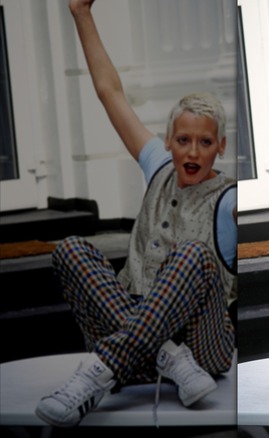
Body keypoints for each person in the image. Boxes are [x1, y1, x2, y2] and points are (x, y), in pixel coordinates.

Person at [35, 0, 237, 428]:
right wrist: (81, 13)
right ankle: (163, 355)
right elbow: (110, 93)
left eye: (205, 142)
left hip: (202, 349)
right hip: (135, 330)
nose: (193, 152)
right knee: (71, 249)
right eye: (183, 140)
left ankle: (106, 367)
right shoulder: (158, 168)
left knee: (193, 255)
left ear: (221, 146)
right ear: (167, 141)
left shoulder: (230, 199)